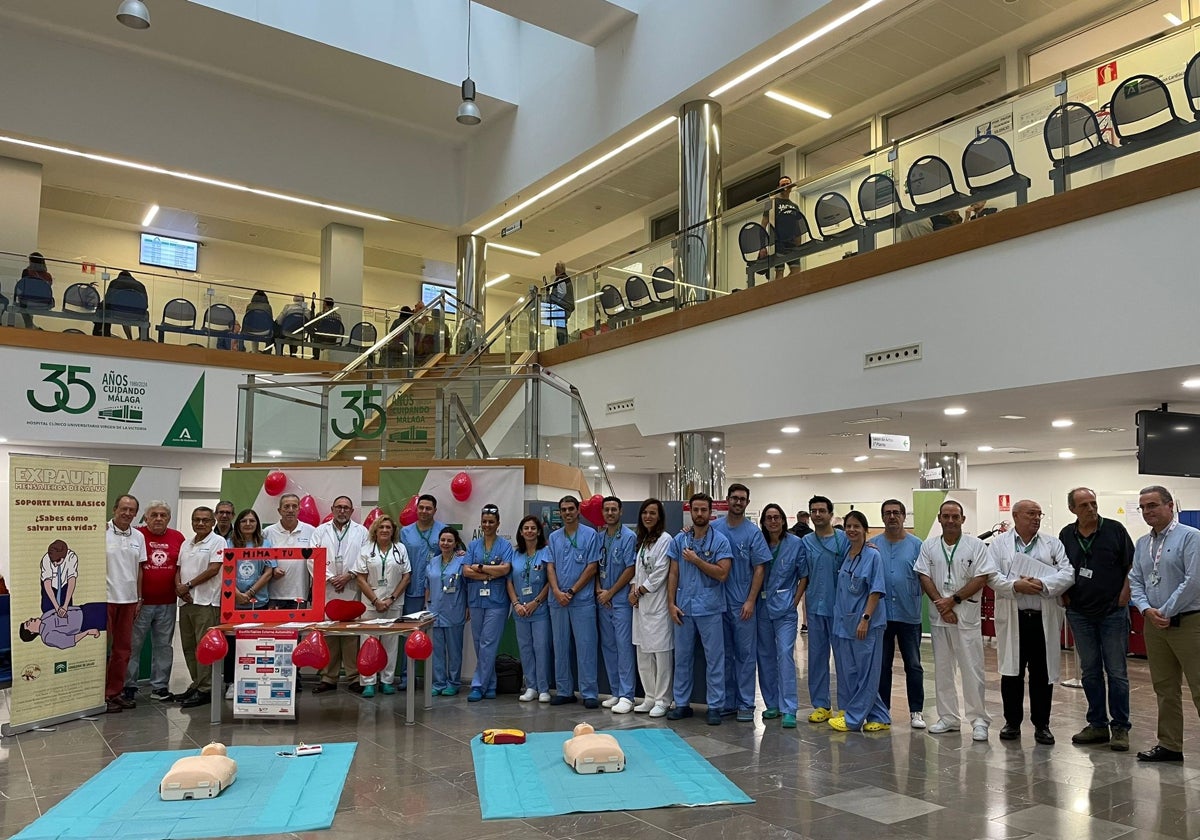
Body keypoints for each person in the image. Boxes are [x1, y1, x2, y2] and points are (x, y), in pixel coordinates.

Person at [989, 499, 1073, 745]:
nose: (1036, 518)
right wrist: (1015, 585)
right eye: (1030, 514)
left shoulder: (1052, 544)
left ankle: (1042, 725)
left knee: (1042, 674)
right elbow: (991, 575)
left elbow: (1068, 573)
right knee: (1011, 673)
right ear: (1015, 516)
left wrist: (1043, 585)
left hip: (1042, 619)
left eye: (1039, 514)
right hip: (1013, 618)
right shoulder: (998, 545)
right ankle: (1012, 723)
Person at [1059, 487, 1134, 752]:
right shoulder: (1066, 535)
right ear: (1073, 510)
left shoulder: (1115, 530)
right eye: (1084, 505)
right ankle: (1097, 724)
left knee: (1116, 672)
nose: (1091, 509)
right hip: (1080, 613)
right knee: (1090, 671)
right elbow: (1060, 568)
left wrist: (1125, 595)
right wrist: (1065, 597)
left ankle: (1121, 727)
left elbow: (1131, 567)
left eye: (1093, 503)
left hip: (1113, 611)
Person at [1129, 485, 1200, 762]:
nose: (1148, 512)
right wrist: (1147, 609)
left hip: (1189, 622)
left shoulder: (1191, 537)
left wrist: (1165, 610)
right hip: (1154, 624)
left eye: (1153, 505)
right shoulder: (1142, 543)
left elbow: (1193, 581)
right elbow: (1135, 580)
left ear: (1170, 506)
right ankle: (1170, 745)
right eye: (1143, 507)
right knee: (1164, 687)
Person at [915, 499, 996, 741]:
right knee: (942, 670)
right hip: (940, 617)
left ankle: (979, 719)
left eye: (955, 516)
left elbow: (981, 577)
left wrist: (954, 601)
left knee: (972, 670)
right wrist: (942, 604)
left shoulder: (976, 546)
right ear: (939, 518)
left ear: (963, 519)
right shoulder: (929, 546)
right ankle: (948, 718)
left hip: (966, 616)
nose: (950, 520)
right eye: (946, 516)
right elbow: (923, 575)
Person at [666, 493, 732, 725]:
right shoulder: (679, 540)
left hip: (710, 608)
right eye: (696, 510)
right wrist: (671, 603)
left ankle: (715, 706)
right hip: (684, 608)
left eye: (704, 510)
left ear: (710, 511)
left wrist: (697, 561)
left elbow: (723, 573)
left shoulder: (720, 541)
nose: (700, 514)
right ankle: (682, 703)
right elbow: (673, 572)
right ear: (690, 511)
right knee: (682, 658)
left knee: (715, 659)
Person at [711, 483, 770, 722]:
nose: (738, 502)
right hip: (716, 602)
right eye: (734, 498)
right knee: (722, 654)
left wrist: (750, 600)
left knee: (745, 655)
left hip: (742, 604)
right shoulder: (714, 528)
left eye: (742, 499)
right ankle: (727, 701)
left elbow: (759, 568)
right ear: (727, 500)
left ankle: (746, 703)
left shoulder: (752, 533)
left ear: (747, 502)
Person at [828, 511, 890, 732]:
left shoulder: (873, 556)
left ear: (866, 530)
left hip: (867, 624)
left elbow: (876, 590)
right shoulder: (848, 554)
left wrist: (865, 619)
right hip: (846, 622)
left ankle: (853, 719)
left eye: (856, 526)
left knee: (867, 673)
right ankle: (880, 716)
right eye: (848, 526)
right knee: (852, 672)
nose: (852, 530)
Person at [869, 499, 926, 728]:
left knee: (913, 664)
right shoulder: (872, 545)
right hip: (881, 616)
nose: (892, 517)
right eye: (887, 513)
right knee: (882, 665)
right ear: (882, 517)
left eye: (896, 513)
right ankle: (883, 711)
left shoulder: (917, 545)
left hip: (908, 614)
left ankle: (916, 711)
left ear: (904, 516)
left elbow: (924, 577)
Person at [125, 500, 184, 702]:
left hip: (167, 603)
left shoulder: (178, 538)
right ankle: (128, 687)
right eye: (154, 515)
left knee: (163, 647)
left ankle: (159, 687)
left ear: (168, 518)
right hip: (140, 603)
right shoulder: (136, 535)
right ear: (146, 517)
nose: (159, 518)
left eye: (163, 515)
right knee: (133, 646)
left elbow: (181, 568)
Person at [756, 503, 809, 728]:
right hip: (762, 607)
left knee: (785, 654)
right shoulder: (758, 542)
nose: (773, 521)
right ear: (763, 521)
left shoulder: (796, 544)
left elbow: (804, 575)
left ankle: (789, 707)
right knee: (765, 656)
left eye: (776, 517)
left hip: (785, 608)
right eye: (769, 518)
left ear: (783, 520)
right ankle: (772, 704)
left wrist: (795, 601)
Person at [310, 496, 369, 694]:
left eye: (346, 508)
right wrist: (329, 578)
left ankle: (353, 676)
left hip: (352, 586)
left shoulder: (362, 532)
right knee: (330, 633)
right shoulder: (320, 531)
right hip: (327, 588)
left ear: (352, 511)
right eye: (339, 507)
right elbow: (311, 557)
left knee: (351, 633)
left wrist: (349, 575)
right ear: (332, 509)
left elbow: (365, 556)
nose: (342, 511)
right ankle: (329, 677)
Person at [546, 495, 600, 707]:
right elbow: (550, 566)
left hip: (582, 600)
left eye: (571, 509)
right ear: (560, 512)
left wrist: (572, 591)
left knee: (586, 647)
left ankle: (589, 693)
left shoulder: (590, 535)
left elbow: (592, 566)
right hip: (557, 600)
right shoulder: (553, 537)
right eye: (563, 509)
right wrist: (558, 592)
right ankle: (564, 690)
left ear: (578, 511)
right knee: (560, 647)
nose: (567, 513)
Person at [352, 514, 411, 697]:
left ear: (393, 531)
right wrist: (376, 601)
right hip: (371, 604)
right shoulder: (366, 550)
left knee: (391, 643)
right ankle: (368, 681)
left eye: (388, 527)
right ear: (375, 531)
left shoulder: (400, 549)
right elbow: (360, 578)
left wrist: (391, 598)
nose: (385, 530)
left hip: (393, 603)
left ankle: (386, 680)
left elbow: (406, 576)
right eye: (381, 527)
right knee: (369, 642)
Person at [175, 507, 226, 708]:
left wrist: (188, 585)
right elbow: (178, 569)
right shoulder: (186, 544)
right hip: (186, 602)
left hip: (207, 602)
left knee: (203, 647)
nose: (201, 523)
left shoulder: (218, 542)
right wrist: (179, 588)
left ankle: (206, 689)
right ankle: (196, 683)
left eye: (205, 520)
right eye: (196, 520)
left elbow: (214, 569)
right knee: (188, 647)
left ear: (213, 522)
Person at [801, 495, 845, 722]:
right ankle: (821, 705)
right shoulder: (805, 542)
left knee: (844, 660)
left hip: (839, 609)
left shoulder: (844, 539)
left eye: (821, 511)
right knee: (817, 659)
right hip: (816, 608)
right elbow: (802, 575)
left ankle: (846, 707)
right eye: (813, 511)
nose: (817, 515)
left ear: (830, 513)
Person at [462, 504, 513, 701]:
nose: (487, 525)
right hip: (476, 599)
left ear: (498, 524)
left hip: (497, 601)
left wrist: (481, 567)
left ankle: (478, 685)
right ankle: (490, 683)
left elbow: (505, 569)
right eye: (484, 521)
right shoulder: (473, 545)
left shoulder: (505, 546)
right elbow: (466, 571)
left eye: (491, 522)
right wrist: (492, 572)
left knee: (488, 643)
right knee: (478, 642)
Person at [224, 509, 276, 699]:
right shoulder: (229, 543)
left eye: (251, 520)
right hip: (233, 603)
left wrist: (251, 592)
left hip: (258, 602)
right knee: (232, 646)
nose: (247, 524)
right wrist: (236, 593)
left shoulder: (265, 543)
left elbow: (269, 572)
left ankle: (253, 681)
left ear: (257, 524)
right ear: (238, 524)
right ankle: (230, 682)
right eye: (244, 521)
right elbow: (224, 569)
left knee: (255, 645)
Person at [630, 498, 674, 717]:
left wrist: (640, 591)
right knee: (643, 654)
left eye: (652, 513)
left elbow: (659, 572)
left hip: (657, 606)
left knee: (661, 655)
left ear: (659, 517)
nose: (648, 516)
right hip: (640, 606)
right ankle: (648, 697)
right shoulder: (643, 540)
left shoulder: (665, 540)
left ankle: (663, 699)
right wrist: (633, 589)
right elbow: (638, 571)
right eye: (645, 513)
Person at [104, 494, 147, 714]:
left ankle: (114, 693)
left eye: (132, 510)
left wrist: (139, 597)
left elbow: (139, 569)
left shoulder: (138, 536)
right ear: (114, 509)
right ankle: (97, 696)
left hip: (129, 600)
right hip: (105, 600)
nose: (127, 513)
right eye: (124, 509)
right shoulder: (101, 531)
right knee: (101, 649)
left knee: (123, 650)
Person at [596, 496, 637, 714]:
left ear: (621, 512)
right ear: (602, 513)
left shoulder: (628, 537)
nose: (610, 513)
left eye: (614, 509)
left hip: (620, 601)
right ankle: (615, 691)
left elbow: (630, 568)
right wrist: (598, 590)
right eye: (607, 510)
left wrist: (611, 592)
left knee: (623, 648)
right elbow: (594, 566)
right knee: (609, 647)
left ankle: (627, 695)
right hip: (603, 600)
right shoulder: (599, 538)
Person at [509, 515, 552, 703]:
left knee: (541, 648)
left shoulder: (546, 552)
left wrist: (536, 601)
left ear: (539, 531)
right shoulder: (515, 554)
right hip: (520, 610)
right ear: (520, 532)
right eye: (525, 528)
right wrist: (516, 604)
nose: (529, 531)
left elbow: (551, 581)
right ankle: (531, 686)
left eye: (533, 528)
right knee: (525, 649)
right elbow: (509, 582)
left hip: (539, 609)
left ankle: (543, 688)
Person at [426, 526, 469, 696]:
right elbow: (427, 586)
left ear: (455, 543)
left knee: (454, 650)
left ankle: (453, 682)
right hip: (435, 611)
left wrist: (468, 608)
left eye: (449, 540)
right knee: (437, 651)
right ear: (438, 541)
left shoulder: (462, 561)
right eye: (443, 540)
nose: (445, 543)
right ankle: (438, 683)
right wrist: (426, 607)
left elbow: (467, 587)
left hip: (455, 610)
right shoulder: (433, 562)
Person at [263, 493, 315, 610]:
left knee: (298, 628)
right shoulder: (268, 532)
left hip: (300, 594)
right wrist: (272, 569)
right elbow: (261, 560)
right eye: (286, 507)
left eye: (294, 506)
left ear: (299, 509)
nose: (290, 510)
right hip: (273, 595)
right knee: (273, 628)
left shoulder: (311, 531)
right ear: (279, 510)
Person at [761, 176, 804, 279]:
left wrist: (799, 246)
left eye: (787, 184)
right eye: (782, 185)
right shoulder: (771, 203)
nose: (785, 187)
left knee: (796, 271)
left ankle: (785, 288)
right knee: (779, 272)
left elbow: (798, 228)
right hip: (777, 242)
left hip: (792, 244)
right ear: (778, 187)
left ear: (791, 186)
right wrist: (762, 246)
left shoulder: (795, 206)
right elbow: (763, 225)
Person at [92, 270, 149, 340]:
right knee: (146, 314)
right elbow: (145, 306)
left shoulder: (114, 283)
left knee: (104, 308)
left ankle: (101, 336)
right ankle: (144, 340)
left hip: (115, 312)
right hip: (137, 315)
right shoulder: (140, 285)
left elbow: (107, 301)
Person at [20, 603, 104, 649]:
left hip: (85, 608)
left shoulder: (44, 616)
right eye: (28, 623)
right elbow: (69, 641)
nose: (30, 619)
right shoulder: (47, 636)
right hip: (87, 622)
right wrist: (87, 632)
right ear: (31, 633)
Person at [40, 539, 78, 616]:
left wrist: (65, 606)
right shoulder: (46, 559)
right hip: (50, 587)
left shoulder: (71, 557)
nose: (55, 564)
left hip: (64, 585)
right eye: (52, 562)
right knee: (47, 611)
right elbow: (47, 584)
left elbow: (71, 580)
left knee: (67, 611)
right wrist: (57, 607)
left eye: (57, 561)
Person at [17, 251, 53, 328]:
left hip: (27, 301)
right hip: (43, 302)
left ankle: (29, 326)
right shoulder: (48, 276)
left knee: (21, 302)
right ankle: (32, 327)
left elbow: (22, 288)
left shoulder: (27, 272)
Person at [545, 262, 575, 346]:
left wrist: (550, 298)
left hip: (562, 307)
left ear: (556, 270)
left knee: (561, 328)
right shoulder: (565, 279)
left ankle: (563, 345)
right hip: (566, 307)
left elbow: (561, 294)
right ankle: (563, 344)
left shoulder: (561, 279)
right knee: (561, 327)